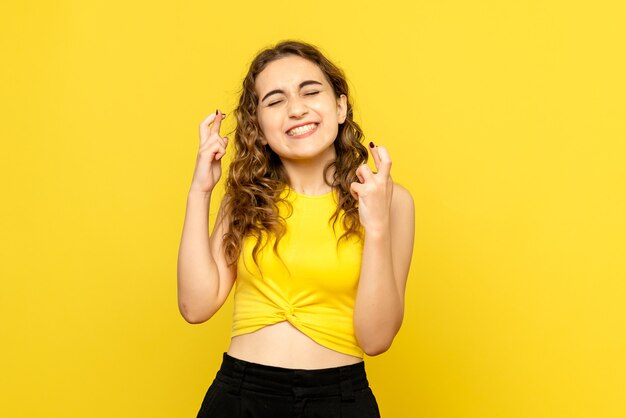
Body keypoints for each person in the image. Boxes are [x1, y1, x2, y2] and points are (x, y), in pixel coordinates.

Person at [177, 40, 415, 417]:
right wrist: (200, 191)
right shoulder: (246, 197)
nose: (296, 109)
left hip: (340, 400)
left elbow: (376, 338)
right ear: (259, 126)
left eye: (310, 91)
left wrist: (378, 227)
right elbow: (195, 306)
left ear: (340, 106)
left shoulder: (391, 201)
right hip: (241, 398)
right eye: (275, 100)